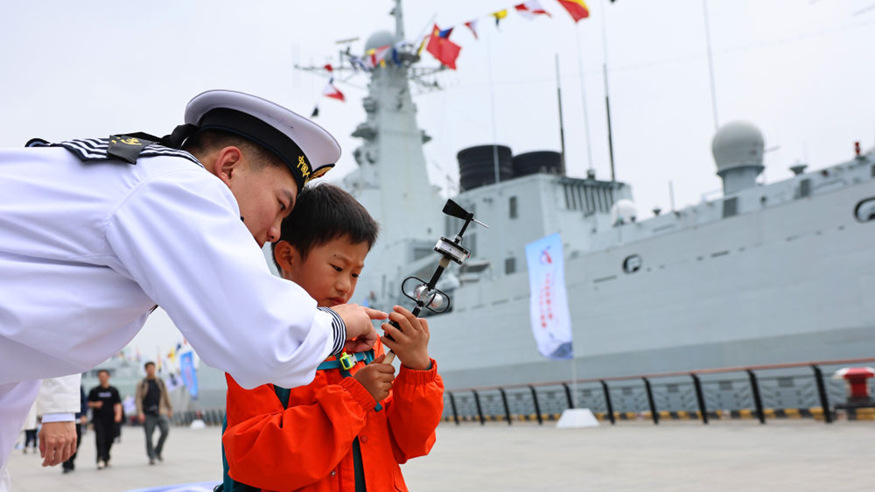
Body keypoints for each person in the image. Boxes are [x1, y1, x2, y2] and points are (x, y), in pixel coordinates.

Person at [0, 90, 385, 474]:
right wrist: (340, 322)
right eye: (281, 205)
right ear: (229, 167)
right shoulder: (180, 186)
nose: (275, 232)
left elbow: (27, 338)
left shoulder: (139, 176)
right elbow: (265, 342)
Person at [222, 184, 445, 492]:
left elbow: (409, 444)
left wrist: (417, 370)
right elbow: (257, 457)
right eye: (337, 267)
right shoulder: (261, 344)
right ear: (287, 256)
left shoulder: (366, 344)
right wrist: (355, 397)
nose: (345, 286)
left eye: (355, 274)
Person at [135, 361, 172, 465]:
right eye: (149, 368)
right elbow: (138, 399)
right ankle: (151, 456)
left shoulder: (160, 382)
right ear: (146, 370)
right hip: (147, 413)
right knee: (149, 437)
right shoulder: (142, 383)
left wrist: (170, 408)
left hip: (160, 412)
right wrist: (140, 412)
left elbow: (166, 395)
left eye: (152, 368)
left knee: (165, 431)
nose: (151, 370)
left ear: (155, 369)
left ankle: (157, 451)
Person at [87, 370, 121, 469]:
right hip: (98, 419)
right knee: (100, 439)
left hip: (111, 419)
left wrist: (118, 415)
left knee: (109, 439)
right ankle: (100, 459)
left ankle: (107, 457)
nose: (102, 378)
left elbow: (118, 404)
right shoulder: (94, 390)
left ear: (108, 377)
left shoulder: (113, 390)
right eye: (100, 376)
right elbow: (88, 403)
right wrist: (95, 404)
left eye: (104, 376)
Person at [61, 385, 88, 474]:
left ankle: (71, 459)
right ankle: (65, 463)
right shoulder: (60, 385)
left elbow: (84, 401)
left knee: (77, 441)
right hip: (63, 419)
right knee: (65, 442)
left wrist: (84, 415)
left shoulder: (77, 385)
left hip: (77, 419)